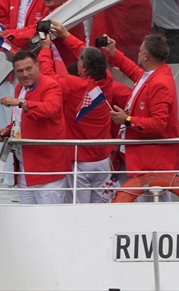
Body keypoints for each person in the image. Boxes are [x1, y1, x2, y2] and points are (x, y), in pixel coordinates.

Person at [37, 30, 118, 202]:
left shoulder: (73, 85)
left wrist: (45, 49)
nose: (77, 63)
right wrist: (65, 35)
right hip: (103, 159)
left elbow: (48, 74)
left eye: (79, 62)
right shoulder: (108, 79)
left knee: (78, 210)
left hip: (79, 161)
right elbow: (87, 53)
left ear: (84, 68)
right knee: (100, 210)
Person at [0, 49, 71, 204]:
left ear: (37, 66)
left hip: (47, 169)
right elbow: (20, 117)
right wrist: (8, 129)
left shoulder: (50, 85)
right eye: (20, 71)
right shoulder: (19, 88)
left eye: (29, 69)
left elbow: (51, 109)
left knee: (48, 216)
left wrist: (20, 102)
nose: (25, 74)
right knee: (26, 214)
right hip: (25, 166)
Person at [103, 34, 179, 176]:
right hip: (144, 158)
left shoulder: (160, 83)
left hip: (152, 162)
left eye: (140, 51)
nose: (137, 54)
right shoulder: (153, 76)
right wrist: (113, 52)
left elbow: (158, 123)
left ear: (146, 56)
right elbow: (132, 70)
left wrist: (126, 120)